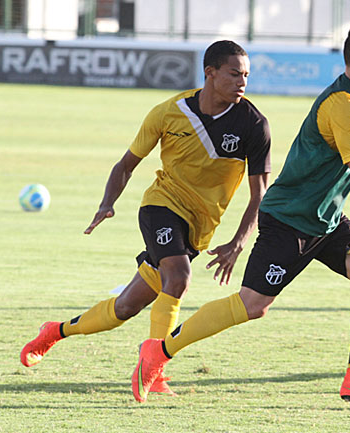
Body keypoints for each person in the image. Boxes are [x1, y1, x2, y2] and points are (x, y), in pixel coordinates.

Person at [130, 22, 350, 406]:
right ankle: (158, 352)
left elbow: (349, 158)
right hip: (290, 221)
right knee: (252, 305)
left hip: (324, 220)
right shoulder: (344, 105)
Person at [20, 40, 272, 396]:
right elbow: (126, 165)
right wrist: (107, 203)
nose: (242, 82)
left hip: (199, 226)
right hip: (161, 205)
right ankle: (157, 372)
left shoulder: (253, 124)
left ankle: (54, 332)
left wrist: (238, 242)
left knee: (125, 307)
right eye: (234, 74)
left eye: (246, 75)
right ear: (210, 73)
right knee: (179, 277)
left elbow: (260, 194)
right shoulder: (169, 112)